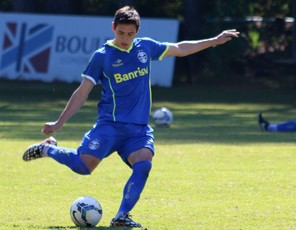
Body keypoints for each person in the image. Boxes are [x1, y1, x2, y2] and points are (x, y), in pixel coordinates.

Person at [22, 5, 239, 228]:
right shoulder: (102, 56)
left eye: (130, 34)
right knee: (83, 167)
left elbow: (180, 48)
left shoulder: (145, 47)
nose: (125, 38)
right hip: (110, 126)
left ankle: (121, 217)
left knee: (144, 164)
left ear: (137, 31)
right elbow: (82, 92)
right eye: (121, 33)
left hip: (138, 129)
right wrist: (59, 123)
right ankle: (48, 148)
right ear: (113, 28)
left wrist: (214, 40)